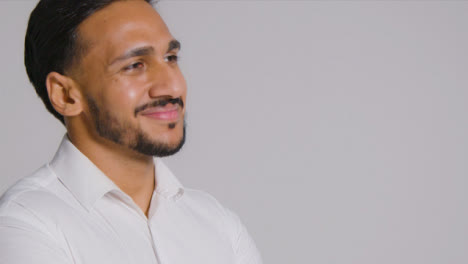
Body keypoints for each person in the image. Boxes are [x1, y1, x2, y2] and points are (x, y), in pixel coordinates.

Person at [0, 0, 262, 263]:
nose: (172, 87)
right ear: (66, 95)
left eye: (170, 58)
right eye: (135, 65)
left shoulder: (219, 225)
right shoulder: (25, 222)